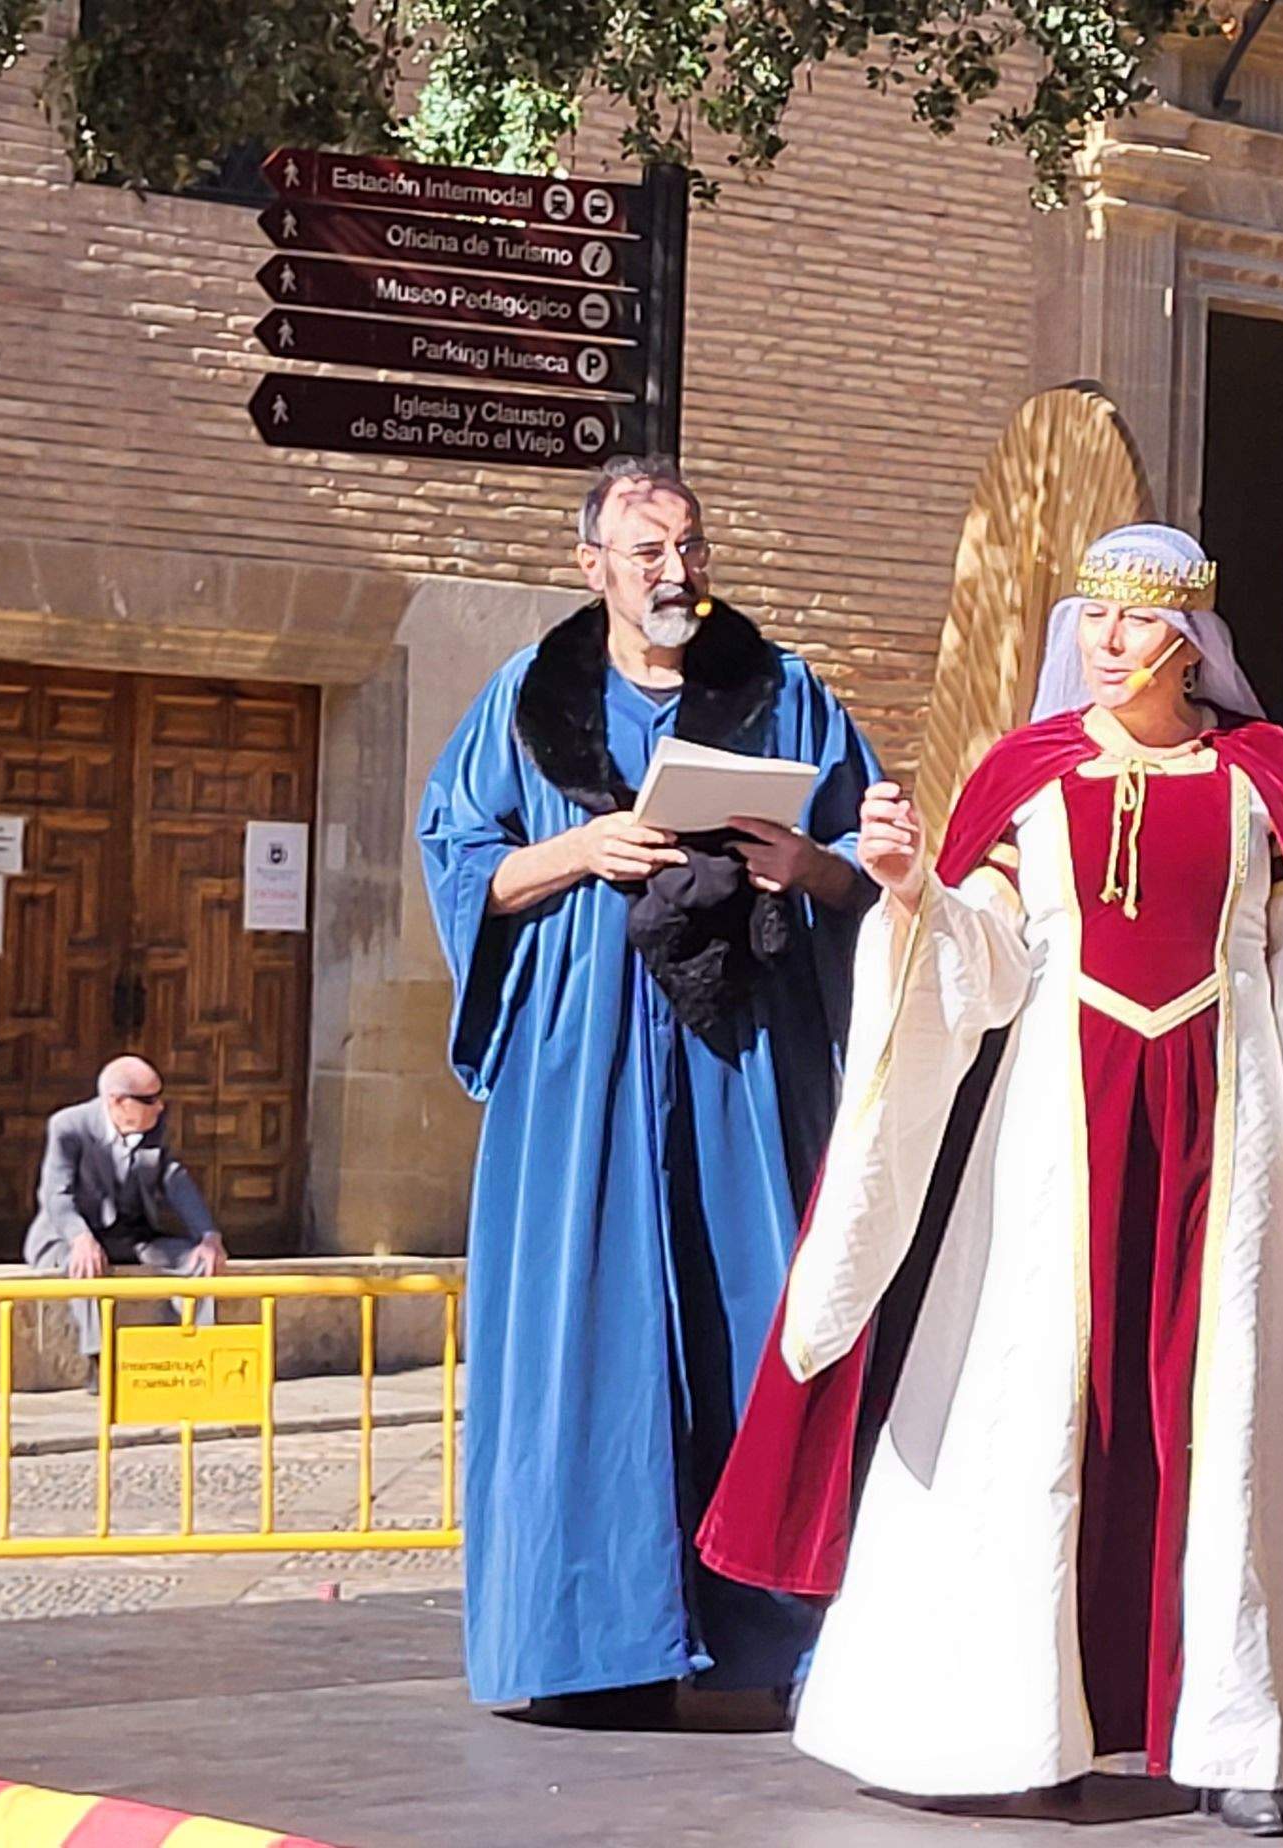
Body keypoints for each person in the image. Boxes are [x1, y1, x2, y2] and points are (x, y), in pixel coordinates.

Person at [700, 524, 1283, 1836]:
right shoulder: (1028, 775)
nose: (1104, 644)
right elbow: (987, 962)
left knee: (1225, 1414)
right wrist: (908, 898)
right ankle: (1025, 1727)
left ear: (1189, 640)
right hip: (1057, 1132)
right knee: (1047, 1405)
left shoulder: (1261, 780)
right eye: (1090, 618)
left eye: (1133, 622)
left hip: (1236, 1126)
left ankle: (1236, 1734)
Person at [414, 457, 882, 1722]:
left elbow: (869, 862)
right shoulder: (525, 701)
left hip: (737, 1054)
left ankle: (773, 1638)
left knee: (753, 1311)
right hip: (581, 1061)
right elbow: (463, 863)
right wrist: (575, 850)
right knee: (590, 1326)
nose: (675, 574)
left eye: (690, 549)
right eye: (645, 553)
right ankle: (586, 1648)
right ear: (592, 568)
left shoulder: (785, 696)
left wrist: (814, 865)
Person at [23, 1056, 227, 1361]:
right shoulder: (69, 1127)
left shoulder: (154, 1127)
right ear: (117, 1101)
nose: (160, 1107)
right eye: (149, 1100)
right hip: (71, 1238)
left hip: (132, 1235)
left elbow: (175, 1180)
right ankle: (99, 1359)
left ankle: (195, 1352)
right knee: (86, 1267)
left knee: (199, 1261)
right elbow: (56, 1194)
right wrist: (80, 1238)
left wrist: (208, 1236)